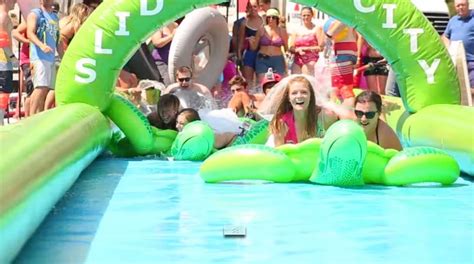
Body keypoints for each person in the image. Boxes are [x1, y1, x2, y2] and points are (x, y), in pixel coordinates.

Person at [270, 75, 340, 147]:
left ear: (310, 96)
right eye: (294, 93)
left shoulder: (324, 117)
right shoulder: (281, 123)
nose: (299, 96)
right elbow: (279, 153)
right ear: (288, 98)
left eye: (304, 92)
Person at [27, 0, 60, 116]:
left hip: (50, 58)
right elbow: (30, 33)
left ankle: (38, 116)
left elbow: (57, 40)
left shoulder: (55, 17)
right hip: (39, 57)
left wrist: (63, 56)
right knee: (40, 87)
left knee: (46, 89)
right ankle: (31, 117)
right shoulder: (35, 14)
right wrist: (41, 45)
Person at [324, 18, 358, 107]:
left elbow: (343, 20)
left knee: (344, 89)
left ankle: (348, 115)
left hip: (343, 51)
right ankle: (342, 113)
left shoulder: (342, 10)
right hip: (344, 50)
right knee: (338, 89)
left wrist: (328, 35)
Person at [442, 0, 474, 93]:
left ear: (468, 5)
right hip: (457, 61)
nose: (460, 7)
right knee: (459, 90)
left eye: (462, 5)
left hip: (472, 61)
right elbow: (445, 36)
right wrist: (449, 46)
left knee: (472, 89)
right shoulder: (453, 20)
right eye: (458, 6)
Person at [251, 8, 288, 83]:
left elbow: (286, 48)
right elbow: (254, 47)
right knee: (262, 83)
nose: (271, 19)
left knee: (278, 84)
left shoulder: (282, 31)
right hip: (263, 58)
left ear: (277, 19)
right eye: (269, 17)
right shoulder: (261, 30)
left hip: (277, 59)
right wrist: (251, 41)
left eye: (273, 17)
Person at [288, 7, 323, 75]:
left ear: (312, 16)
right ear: (301, 16)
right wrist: (297, 50)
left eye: (308, 15)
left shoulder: (317, 29)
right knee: (295, 82)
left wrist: (305, 48)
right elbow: (291, 47)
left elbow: (321, 47)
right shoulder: (296, 29)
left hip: (311, 60)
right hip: (297, 60)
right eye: (304, 15)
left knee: (307, 82)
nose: (306, 17)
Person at [237, 0, 263, 86]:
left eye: (255, 6)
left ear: (259, 7)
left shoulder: (264, 21)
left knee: (261, 82)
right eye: (250, 7)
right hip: (249, 53)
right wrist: (239, 57)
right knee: (248, 82)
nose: (253, 9)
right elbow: (240, 42)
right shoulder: (244, 23)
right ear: (248, 8)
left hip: (262, 53)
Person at [12, 20, 34, 117]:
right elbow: (15, 33)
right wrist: (29, 41)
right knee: (31, 89)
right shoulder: (29, 18)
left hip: (38, 59)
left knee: (36, 89)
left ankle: (24, 113)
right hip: (27, 59)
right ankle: (27, 117)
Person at [0, 0, 16, 124]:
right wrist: (12, 57)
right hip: (3, 60)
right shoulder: (3, 16)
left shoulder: (5, 15)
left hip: (4, 59)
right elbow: (2, 39)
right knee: (3, 94)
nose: (15, 1)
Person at [150, 21, 178, 86]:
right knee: (168, 84)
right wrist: (171, 36)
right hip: (162, 62)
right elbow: (157, 43)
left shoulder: (175, 25)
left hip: (174, 61)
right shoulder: (158, 26)